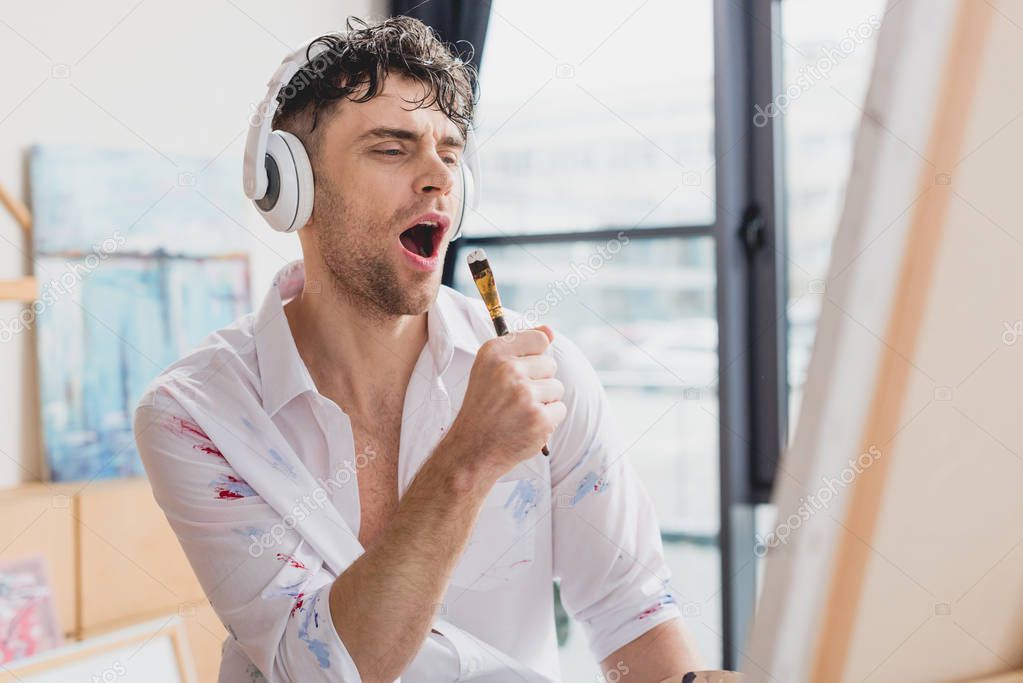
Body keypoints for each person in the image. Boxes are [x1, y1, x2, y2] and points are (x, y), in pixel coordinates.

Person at [133, 15, 702, 682]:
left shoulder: (546, 376)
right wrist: (470, 455)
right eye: (391, 149)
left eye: (450, 153)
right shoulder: (198, 414)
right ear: (293, 189)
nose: (438, 177)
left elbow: (630, 609)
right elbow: (319, 668)